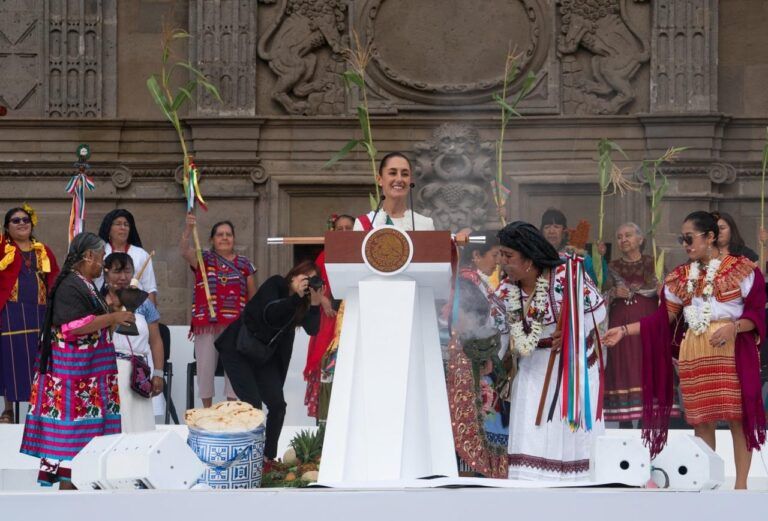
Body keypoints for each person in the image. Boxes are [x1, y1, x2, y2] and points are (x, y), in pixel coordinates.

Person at [603, 211, 766, 489]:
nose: (685, 244)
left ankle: (741, 486)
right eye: (682, 239)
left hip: (730, 347)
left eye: (689, 238)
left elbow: (758, 313)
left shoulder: (742, 269)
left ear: (710, 237)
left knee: (737, 417)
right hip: (695, 351)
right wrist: (625, 330)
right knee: (702, 421)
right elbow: (661, 318)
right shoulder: (680, 275)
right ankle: (709, 483)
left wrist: (735, 327)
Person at [20, 232, 134, 488]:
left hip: (89, 378)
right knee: (73, 440)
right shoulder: (71, 285)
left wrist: (115, 314)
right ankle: (70, 496)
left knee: (87, 440)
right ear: (88, 256)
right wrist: (112, 318)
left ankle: (80, 493)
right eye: (101, 257)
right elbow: (72, 327)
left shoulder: (85, 283)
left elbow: (92, 324)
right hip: (74, 381)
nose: (103, 263)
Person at [495, 221, 606, 481]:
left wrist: (570, 333)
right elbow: (497, 331)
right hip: (533, 368)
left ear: (529, 259)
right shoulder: (506, 289)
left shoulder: (569, 276)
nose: (502, 262)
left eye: (508, 256)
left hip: (573, 368)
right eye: (501, 255)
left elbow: (598, 312)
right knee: (531, 432)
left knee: (569, 435)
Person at [215, 261, 321, 468]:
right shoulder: (276, 284)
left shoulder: (302, 302)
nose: (306, 282)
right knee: (253, 402)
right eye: (303, 276)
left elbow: (313, 329)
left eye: (311, 279)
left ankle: (267, 458)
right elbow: (269, 313)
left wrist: (315, 303)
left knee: (278, 405)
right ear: (292, 276)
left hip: (263, 355)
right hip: (238, 348)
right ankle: (249, 458)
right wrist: (296, 298)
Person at [181, 215, 256, 407]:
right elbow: (184, 251)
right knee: (205, 366)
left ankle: (230, 408)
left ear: (234, 238)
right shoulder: (203, 260)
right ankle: (207, 410)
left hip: (235, 326)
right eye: (220, 235)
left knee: (234, 367)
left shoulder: (244, 264)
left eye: (228, 235)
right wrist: (188, 230)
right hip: (207, 323)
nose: (225, 238)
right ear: (212, 239)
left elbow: (253, 295)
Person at [0, 206, 59, 424]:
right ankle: (8, 410)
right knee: (9, 359)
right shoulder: (1, 249)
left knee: (39, 360)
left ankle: (37, 409)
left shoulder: (43, 250)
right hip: (10, 312)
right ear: (7, 227)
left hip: (40, 312)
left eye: (25, 219)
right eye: (15, 221)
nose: (22, 223)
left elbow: (53, 278)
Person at [602, 223, 664, 426]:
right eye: (619, 237)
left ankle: (649, 426)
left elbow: (670, 296)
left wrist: (662, 288)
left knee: (646, 366)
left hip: (646, 323)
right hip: (619, 325)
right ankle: (624, 426)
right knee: (623, 368)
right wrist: (612, 293)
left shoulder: (654, 262)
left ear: (640, 239)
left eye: (628, 235)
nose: (623, 240)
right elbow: (597, 295)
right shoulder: (611, 266)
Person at [446, 278, 508, 478]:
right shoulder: (465, 338)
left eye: (453, 307)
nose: (446, 309)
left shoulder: (474, 342)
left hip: (482, 409)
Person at [102, 253, 164, 432]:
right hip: (108, 370)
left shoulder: (144, 303)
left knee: (139, 424)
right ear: (106, 274)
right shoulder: (98, 300)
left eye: (127, 271)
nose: (122, 277)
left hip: (138, 371)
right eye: (117, 271)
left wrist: (158, 373)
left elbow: (156, 340)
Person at [303, 214, 354, 421]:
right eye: (339, 229)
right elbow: (311, 284)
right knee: (326, 366)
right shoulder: (324, 255)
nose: (343, 233)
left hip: (352, 318)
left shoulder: (363, 254)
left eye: (348, 228)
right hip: (329, 320)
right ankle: (323, 421)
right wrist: (323, 300)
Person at [353, 152, 435, 231]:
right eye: (393, 173)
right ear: (379, 179)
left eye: (405, 174)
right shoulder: (365, 224)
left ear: (410, 180)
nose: (399, 179)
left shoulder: (426, 225)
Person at [96, 209, 157, 304]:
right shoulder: (99, 252)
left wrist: (151, 315)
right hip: (104, 307)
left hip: (136, 308)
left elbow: (150, 289)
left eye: (126, 225)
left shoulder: (141, 254)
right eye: (118, 224)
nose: (123, 227)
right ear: (109, 228)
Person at [540, 208, 606, 287]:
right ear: (542, 231)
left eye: (556, 227)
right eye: (547, 227)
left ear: (564, 232)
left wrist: (599, 257)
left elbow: (596, 281)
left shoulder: (577, 255)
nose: (551, 231)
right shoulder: (535, 255)